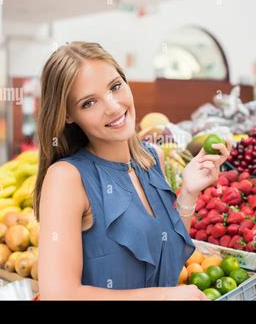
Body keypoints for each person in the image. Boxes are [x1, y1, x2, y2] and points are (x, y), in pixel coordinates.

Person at [34, 42, 231, 300]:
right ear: (68, 115)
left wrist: (189, 193)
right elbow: (59, 295)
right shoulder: (67, 178)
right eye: (89, 102)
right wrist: (164, 298)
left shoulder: (152, 158)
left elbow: (166, 259)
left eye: (115, 87)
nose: (114, 107)